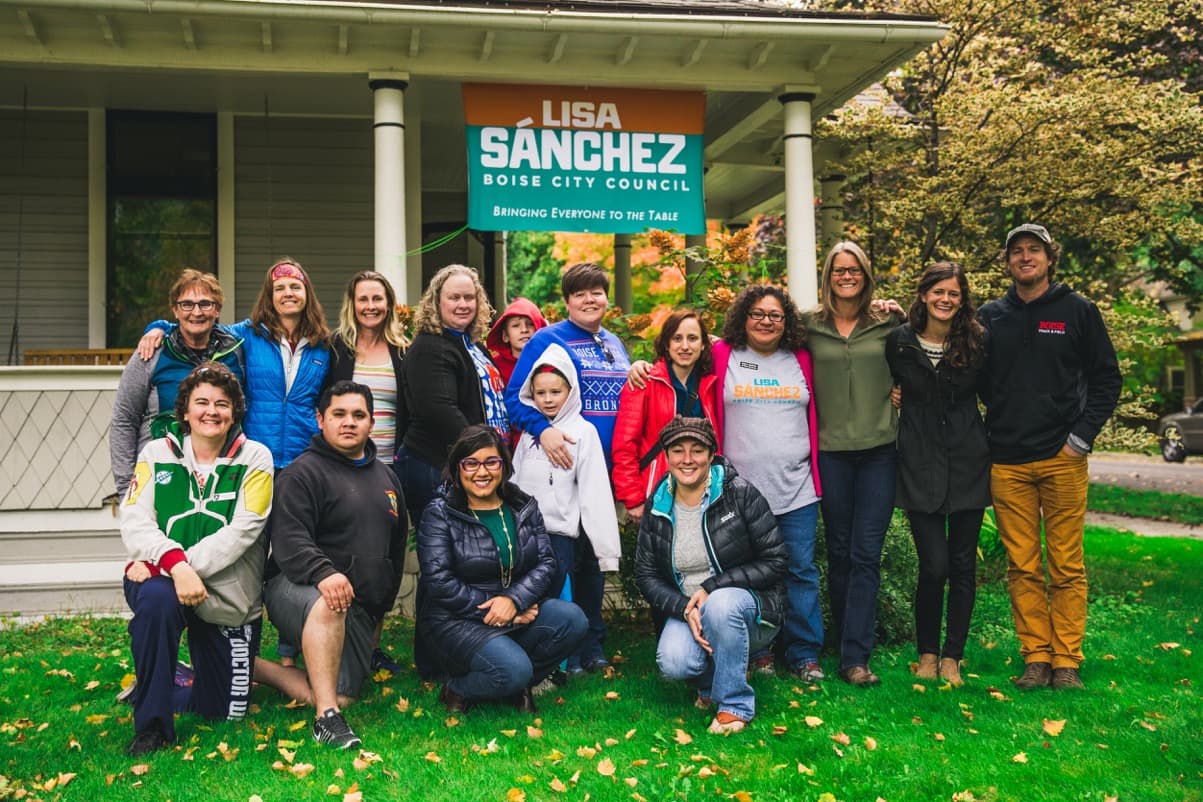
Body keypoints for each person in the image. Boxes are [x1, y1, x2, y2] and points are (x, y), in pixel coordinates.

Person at [978, 223, 1121, 691]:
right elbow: (969, 378)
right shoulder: (989, 317)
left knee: (1066, 564)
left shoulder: (1078, 311)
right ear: (1007, 261)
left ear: (1048, 258)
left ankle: (1066, 662)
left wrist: (1079, 439)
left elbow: (1106, 379)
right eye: (1016, 250)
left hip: (1063, 458)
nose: (1025, 257)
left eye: (1033, 250)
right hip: (1008, 461)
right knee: (1022, 565)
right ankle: (1036, 657)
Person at [119, 362, 273, 756]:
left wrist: (175, 566)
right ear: (184, 410)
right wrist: (175, 568)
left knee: (224, 711)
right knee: (155, 602)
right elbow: (135, 521)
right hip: (165, 581)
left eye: (222, 404)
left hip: (226, 592)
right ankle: (152, 727)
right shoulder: (155, 453)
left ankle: (170, 675)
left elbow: (244, 530)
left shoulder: (255, 458)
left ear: (235, 412)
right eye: (200, 402)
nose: (211, 411)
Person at [254, 381, 408, 749]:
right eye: (338, 414)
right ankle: (326, 719)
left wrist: (377, 619)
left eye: (359, 415)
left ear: (372, 422)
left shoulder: (387, 479)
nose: (349, 423)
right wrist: (325, 573)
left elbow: (394, 554)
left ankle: (247, 667)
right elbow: (289, 544)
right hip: (296, 590)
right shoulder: (301, 474)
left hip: (353, 607)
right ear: (320, 419)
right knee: (329, 601)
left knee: (347, 694)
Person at [505, 262, 631, 672]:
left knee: (593, 563)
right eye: (580, 293)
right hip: (559, 468)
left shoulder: (613, 343)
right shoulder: (547, 339)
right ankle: (562, 649)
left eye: (597, 291)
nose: (590, 299)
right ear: (567, 301)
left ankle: (592, 647)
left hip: (603, 471)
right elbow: (516, 398)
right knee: (558, 565)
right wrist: (543, 431)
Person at [418, 425, 588, 714]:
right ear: (457, 468)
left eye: (491, 462)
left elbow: (547, 563)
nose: (481, 472)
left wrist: (515, 600)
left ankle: (518, 683)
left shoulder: (522, 506)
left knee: (573, 620)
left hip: (513, 610)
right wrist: (499, 611)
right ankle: (457, 689)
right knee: (513, 669)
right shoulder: (440, 513)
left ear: (504, 466)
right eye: (470, 463)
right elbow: (439, 581)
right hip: (457, 620)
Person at [635, 416, 786, 734]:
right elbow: (646, 575)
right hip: (690, 607)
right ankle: (711, 684)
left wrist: (711, 586)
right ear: (666, 456)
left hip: (746, 609)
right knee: (674, 662)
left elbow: (776, 560)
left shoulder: (740, 494)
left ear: (712, 454)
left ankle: (735, 704)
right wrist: (682, 608)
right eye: (678, 450)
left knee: (720, 605)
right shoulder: (658, 504)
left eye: (697, 450)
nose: (687, 459)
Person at [885, 262, 990, 687]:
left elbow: (994, 394)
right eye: (938, 292)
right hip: (918, 464)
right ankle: (926, 653)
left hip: (968, 462)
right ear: (924, 294)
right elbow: (881, 381)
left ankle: (952, 657)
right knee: (934, 566)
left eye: (954, 293)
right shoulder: (900, 341)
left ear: (961, 299)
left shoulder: (978, 342)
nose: (946, 300)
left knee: (962, 566)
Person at [802, 242, 901, 686]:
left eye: (855, 269)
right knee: (839, 552)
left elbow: (925, 356)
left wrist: (906, 392)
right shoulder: (807, 325)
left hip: (880, 448)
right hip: (830, 452)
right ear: (828, 276)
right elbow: (752, 337)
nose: (847, 276)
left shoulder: (888, 322)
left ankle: (855, 658)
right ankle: (842, 643)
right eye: (839, 270)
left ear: (866, 274)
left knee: (866, 554)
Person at [138, 257, 332, 470]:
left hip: (305, 455)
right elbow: (199, 323)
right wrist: (159, 326)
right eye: (279, 288)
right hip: (255, 455)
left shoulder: (322, 345)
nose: (288, 293)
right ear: (270, 296)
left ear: (307, 294)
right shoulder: (248, 334)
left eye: (295, 287)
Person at [322, 269, 411, 675]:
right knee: (345, 553)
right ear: (352, 304)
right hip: (345, 469)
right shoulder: (337, 350)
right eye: (363, 299)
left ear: (389, 305)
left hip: (390, 468)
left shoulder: (403, 351)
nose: (371, 307)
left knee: (383, 560)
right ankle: (338, 641)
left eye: (378, 299)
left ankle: (371, 646)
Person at [512, 348, 621, 674]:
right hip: (529, 536)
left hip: (565, 536)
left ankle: (577, 657)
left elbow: (596, 494)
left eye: (555, 392)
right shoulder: (529, 436)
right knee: (539, 599)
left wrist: (606, 552)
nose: (547, 399)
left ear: (570, 391)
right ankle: (546, 658)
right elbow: (514, 484)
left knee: (572, 596)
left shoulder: (583, 433)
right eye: (540, 392)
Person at [111, 269, 244, 495]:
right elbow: (124, 419)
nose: (196, 312)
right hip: (161, 477)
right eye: (187, 304)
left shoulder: (235, 351)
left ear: (218, 309)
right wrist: (126, 488)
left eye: (205, 304)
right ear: (175, 309)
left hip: (221, 479)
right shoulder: (151, 353)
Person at [399, 264, 506, 525]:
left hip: (473, 464)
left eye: (469, 298)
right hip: (437, 466)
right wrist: (482, 453)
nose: (463, 304)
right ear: (437, 302)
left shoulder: (473, 344)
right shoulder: (430, 346)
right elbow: (438, 409)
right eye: (454, 298)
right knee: (445, 555)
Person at [612, 308, 721, 524]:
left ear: (702, 344)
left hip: (702, 493)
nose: (685, 346)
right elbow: (624, 445)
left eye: (692, 338)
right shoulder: (644, 381)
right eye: (677, 338)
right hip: (656, 490)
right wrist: (632, 498)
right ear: (666, 343)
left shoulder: (710, 383)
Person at [486, 296, 548, 387]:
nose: (524, 329)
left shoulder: (549, 361)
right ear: (505, 336)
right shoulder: (494, 367)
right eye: (515, 325)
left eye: (530, 324)